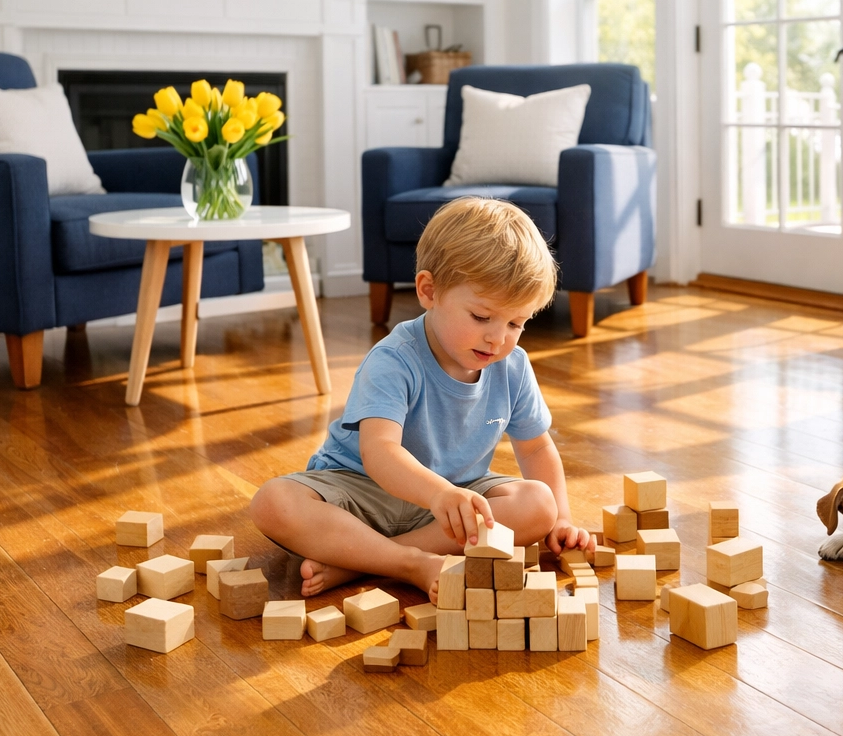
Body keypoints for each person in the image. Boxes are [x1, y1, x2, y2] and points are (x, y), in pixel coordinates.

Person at [249, 197, 593, 599]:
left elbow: (535, 450)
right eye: (481, 317)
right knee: (274, 502)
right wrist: (437, 493)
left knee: (538, 504)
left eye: (516, 322)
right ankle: (409, 564)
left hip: (451, 503)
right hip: (362, 492)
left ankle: (363, 560)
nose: (497, 338)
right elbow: (379, 453)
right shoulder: (394, 360)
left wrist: (563, 520)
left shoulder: (513, 366)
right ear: (429, 291)